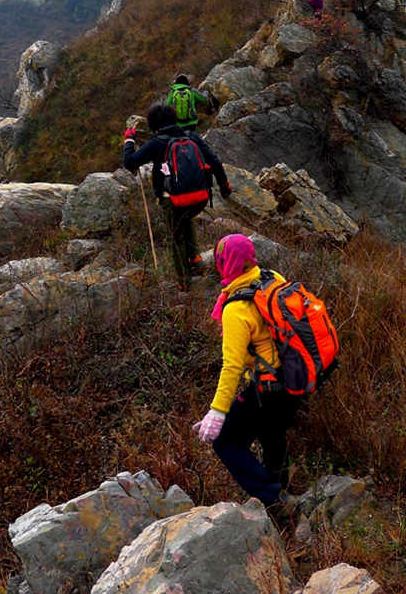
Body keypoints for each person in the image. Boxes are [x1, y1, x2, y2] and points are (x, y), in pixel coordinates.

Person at [193, 234, 302, 520]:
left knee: (226, 441)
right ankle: (283, 500)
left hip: (270, 386)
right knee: (272, 435)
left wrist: (217, 412)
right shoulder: (271, 278)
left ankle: (276, 500)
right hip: (295, 378)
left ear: (225, 263)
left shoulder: (236, 309)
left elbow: (231, 366)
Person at [123, 103, 232, 289]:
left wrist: (129, 141)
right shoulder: (190, 136)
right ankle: (196, 260)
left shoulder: (157, 143)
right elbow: (213, 160)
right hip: (200, 197)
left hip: (173, 199)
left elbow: (130, 161)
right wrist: (224, 186)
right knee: (186, 217)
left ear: (153, 124)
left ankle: (185, 284)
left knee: (176, 238)